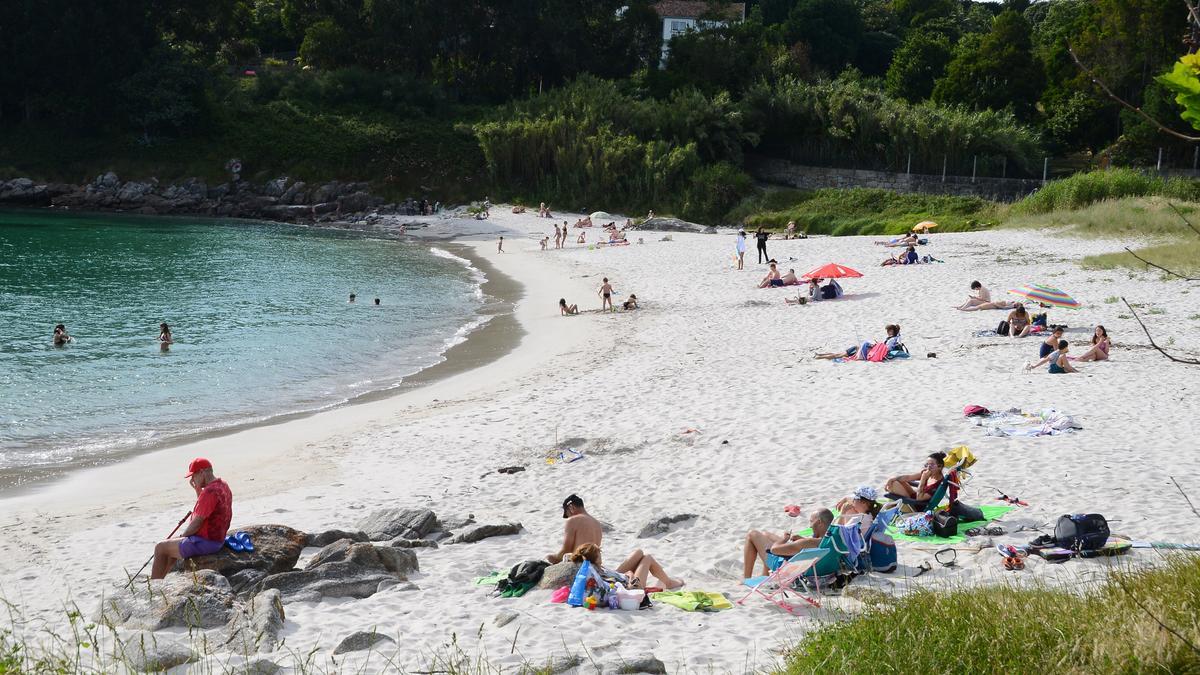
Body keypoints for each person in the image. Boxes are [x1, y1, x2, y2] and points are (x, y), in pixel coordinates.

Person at [151, 458, 233, 579]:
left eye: (193, 475)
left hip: (207, 542)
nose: (192, 479)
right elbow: (207, 508)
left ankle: (154, 585)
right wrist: (198, 490)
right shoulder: (222, 485)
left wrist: (183, 536)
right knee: (171, 546)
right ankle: (161, 578)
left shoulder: (209, 492)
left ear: (202, 473)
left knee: (160, 548)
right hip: (218, 539)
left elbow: (197, 523)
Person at [742, 508, 834, 579]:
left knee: (752, 534)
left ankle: (746, 579)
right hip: (805, 563)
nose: (810, 526)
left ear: (819, 522)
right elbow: (812, 544)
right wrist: (800, 539)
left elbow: (774, 550)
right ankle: (765, 575)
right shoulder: (830, 540)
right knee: (766, 534)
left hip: (782, 565)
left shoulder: (808, 542)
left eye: (811, 521)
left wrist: (784, 539)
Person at [570, 543, 683, 591]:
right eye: (599, 553)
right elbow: (615, 582)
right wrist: (630, 574)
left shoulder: (592, 566)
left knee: (639, 553)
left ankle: (668, 581)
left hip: (620, 578)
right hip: (632, 586)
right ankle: (669, 583)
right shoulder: (595, 570)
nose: (601, 554)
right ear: (595, 557)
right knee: (647, 558)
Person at [547, 495, 603, 564]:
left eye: (568, 515)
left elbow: (565, 552)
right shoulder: (597, 523)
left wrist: (550, 557)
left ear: (571, 507)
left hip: (579, 565)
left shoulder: (573, 520)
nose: (569, 517)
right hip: (593, 566)